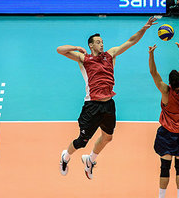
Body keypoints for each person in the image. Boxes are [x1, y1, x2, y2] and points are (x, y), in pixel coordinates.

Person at [57, 16, 158, 179]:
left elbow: (131, 41)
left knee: (108, 137)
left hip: (108, 104)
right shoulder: (84, 59)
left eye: (102, 41)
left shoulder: (110, 55)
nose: (101, 44)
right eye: (98, 42)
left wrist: (144, 28)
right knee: (82, 141)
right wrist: (76, 47)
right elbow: (60, 50)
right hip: (92, 106)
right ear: (90, 45)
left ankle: (90, 160)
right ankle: (65, 157)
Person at [147, 40, 179, 198]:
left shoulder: (165, 92)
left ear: (169, 82)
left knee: (165, 167)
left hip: (167, 133)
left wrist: (151, 53)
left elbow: (153, 72)